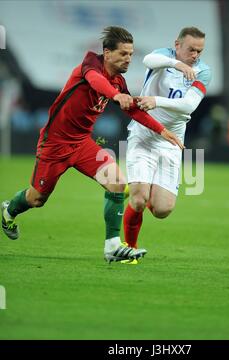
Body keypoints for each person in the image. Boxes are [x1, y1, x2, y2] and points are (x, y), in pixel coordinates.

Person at [1, 26, 183, 263]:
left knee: (117, 184)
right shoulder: (90, 66)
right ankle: (8, 211)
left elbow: (134, 111)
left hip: (82, 144)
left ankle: (113, 247)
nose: (129, 59)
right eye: (124, 54)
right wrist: (115, 95)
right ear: (107, 53)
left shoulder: (118, 80)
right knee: (37, 198)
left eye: (131, 54)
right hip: (55, 144)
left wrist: (162, 130)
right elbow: (96, 82)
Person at [123, 27, 212, 261]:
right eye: (191, 49)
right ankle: (128, 249)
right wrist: (176, 64)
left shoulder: (203, 71)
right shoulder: (163, 56)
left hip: (171, 142)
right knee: (140, 200)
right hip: (143, 135)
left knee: (162, 210)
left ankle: (134, 187)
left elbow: (189, 105)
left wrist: (156, 101)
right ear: (177, 45)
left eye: (199, 51)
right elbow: (147, 59)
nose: (195, 55)